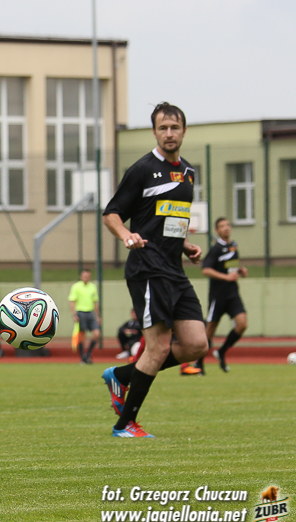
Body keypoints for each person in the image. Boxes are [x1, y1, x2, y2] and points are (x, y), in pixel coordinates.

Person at [101, 102, 209, 438]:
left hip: (174, 269)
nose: (169, 133)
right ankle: (124, 425)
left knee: (196, 344)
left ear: (184, 131)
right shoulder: (143, 169)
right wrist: (126, 235)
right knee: (158, 347)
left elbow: (169, 218)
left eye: (174, 127)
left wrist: (184, 244)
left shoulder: (188, 172)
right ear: (154, 132)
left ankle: (122, 375)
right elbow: (111, 214)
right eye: (163, 128)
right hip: (147, 269)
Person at [185, 217, 247, 374]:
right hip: (218, 296)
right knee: (210, 330)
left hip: (233, 294)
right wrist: (226, 277)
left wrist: (240, 270)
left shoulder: (233, 246)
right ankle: (199, 364)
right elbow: (206, 269)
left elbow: (230, 266)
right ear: (217, 231)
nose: (226, 228)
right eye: (222, 226)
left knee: (242, 324)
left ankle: (221, 351)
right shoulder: (216, 249)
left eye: (227, 225)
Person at [68, 269, 101, 364]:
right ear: (81, 277)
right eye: (85, 276)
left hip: (90, 312)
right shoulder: (76, 287)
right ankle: (83, 357)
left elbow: (95, 302)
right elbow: (72, 301)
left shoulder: (92, 287)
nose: (86, 278)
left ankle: (88, 354)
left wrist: (98, 315)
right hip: (81, 312)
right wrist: (74, 314)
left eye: (88, 276)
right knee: (82, 336)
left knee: (97, 334)